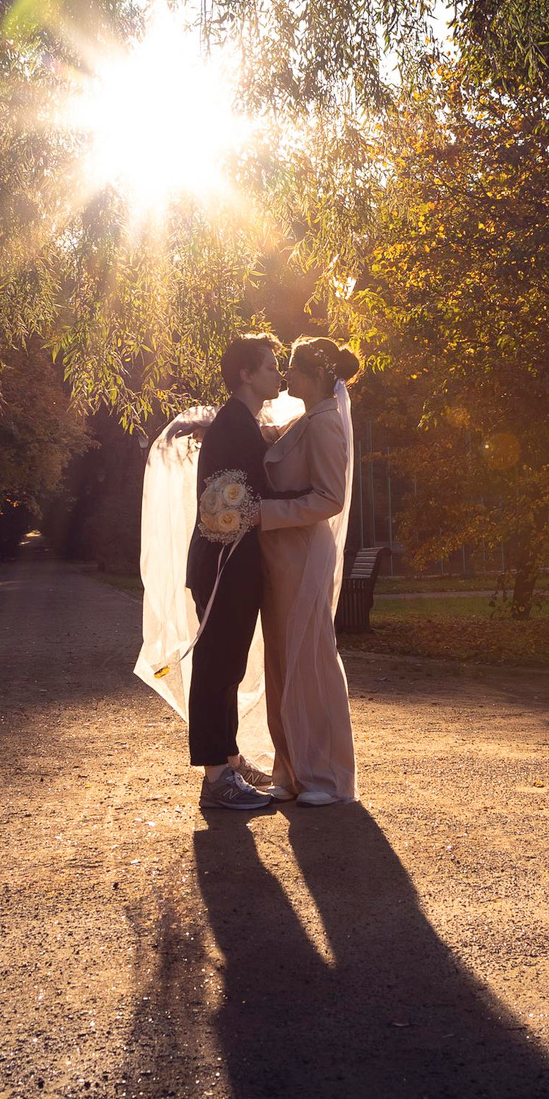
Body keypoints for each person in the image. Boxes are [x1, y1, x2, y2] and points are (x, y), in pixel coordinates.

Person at [255, 336, 362, 804]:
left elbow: (330, 498)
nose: (286, 377)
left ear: (318, 375)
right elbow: (277, 448)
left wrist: (264, 514)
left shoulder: (326, 424)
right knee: (281, 658)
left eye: (294, 369)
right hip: (281, 556)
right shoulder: (306, 419)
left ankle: (327, 777)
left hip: (303, 553)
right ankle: (292, 769)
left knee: (310, 658)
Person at [183, 334, 288, 810]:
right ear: (246, 374)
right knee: (216, 666)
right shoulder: (234, 425)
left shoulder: (240, 422)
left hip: (233, 558)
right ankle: (215, 779)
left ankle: (228, 758)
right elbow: (257, 493)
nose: (277, 375)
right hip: (223, 562)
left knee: (229, 665)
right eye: (269, 367)